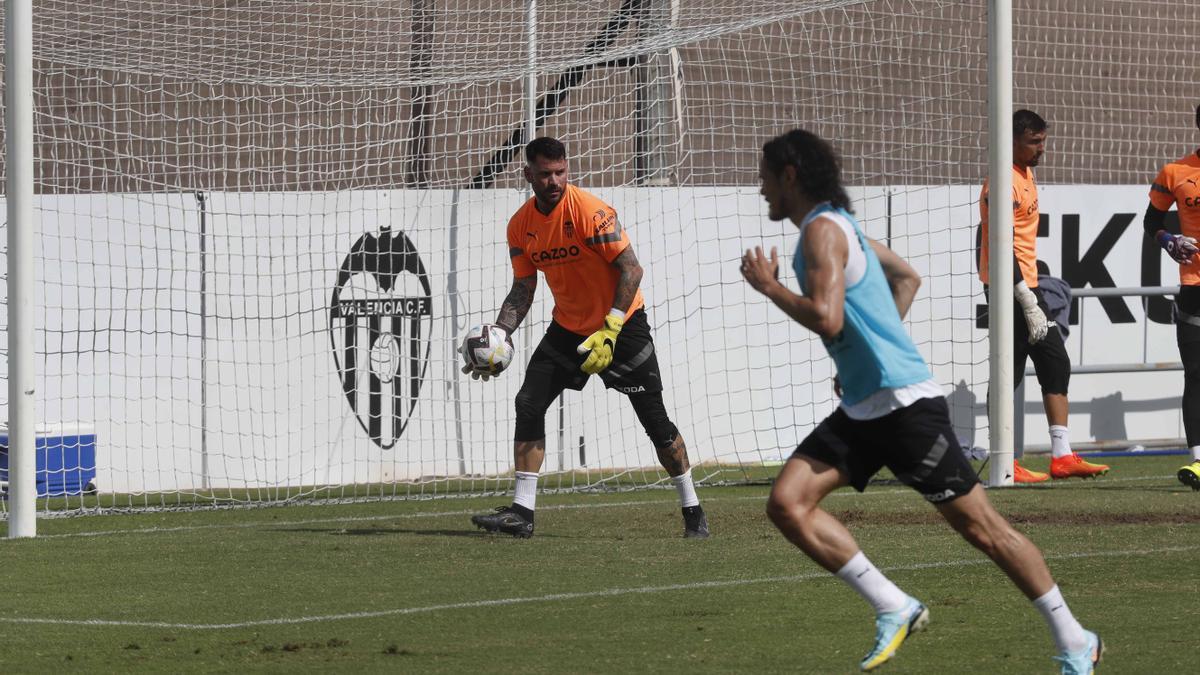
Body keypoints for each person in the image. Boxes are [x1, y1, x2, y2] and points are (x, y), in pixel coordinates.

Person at [742, 129, 1101, 673]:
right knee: (788, 503)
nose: (761, 187)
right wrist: (869, 354)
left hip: (906, 409)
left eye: (765, 176)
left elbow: (828, 317)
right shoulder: (842, 227)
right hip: (867, 407)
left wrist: (770, 287)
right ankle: (895, 606)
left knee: (986, 531)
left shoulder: (821, 232)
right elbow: (906, 278)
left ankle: (1076, 640)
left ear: (789, 175)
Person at [463, 136, 709, 539]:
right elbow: (524, 288)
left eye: (560, 172)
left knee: (656, 423)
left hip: (622, 327)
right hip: (568, 329)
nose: (554, 181)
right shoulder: (520, 226)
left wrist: (610, 329)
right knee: (528, 402)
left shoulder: (591, 213)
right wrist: (498, 337)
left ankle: (693, 511)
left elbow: (632, 270)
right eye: (544, 174)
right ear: (528, 175)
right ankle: (522, 514)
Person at [978, 109, 1109, 483]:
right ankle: (1004, 460)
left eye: (1043, 141)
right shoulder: (1000, 183)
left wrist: (1031, 295)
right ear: (1012, 141)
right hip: (1009, 289)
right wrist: (1025, 299)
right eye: (1034, 142)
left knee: (1055, 363)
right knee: (1008, 372)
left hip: (1027, 285)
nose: (1041, 149)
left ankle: (1062, 455)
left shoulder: (1025, 174)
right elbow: (1000, 245)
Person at [1143, 103, 1200, 491]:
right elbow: (1151, 221)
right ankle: (1198, 461)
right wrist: (1169, 240)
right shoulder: (1176, 172)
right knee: (1196, 374)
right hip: (1194, 286)